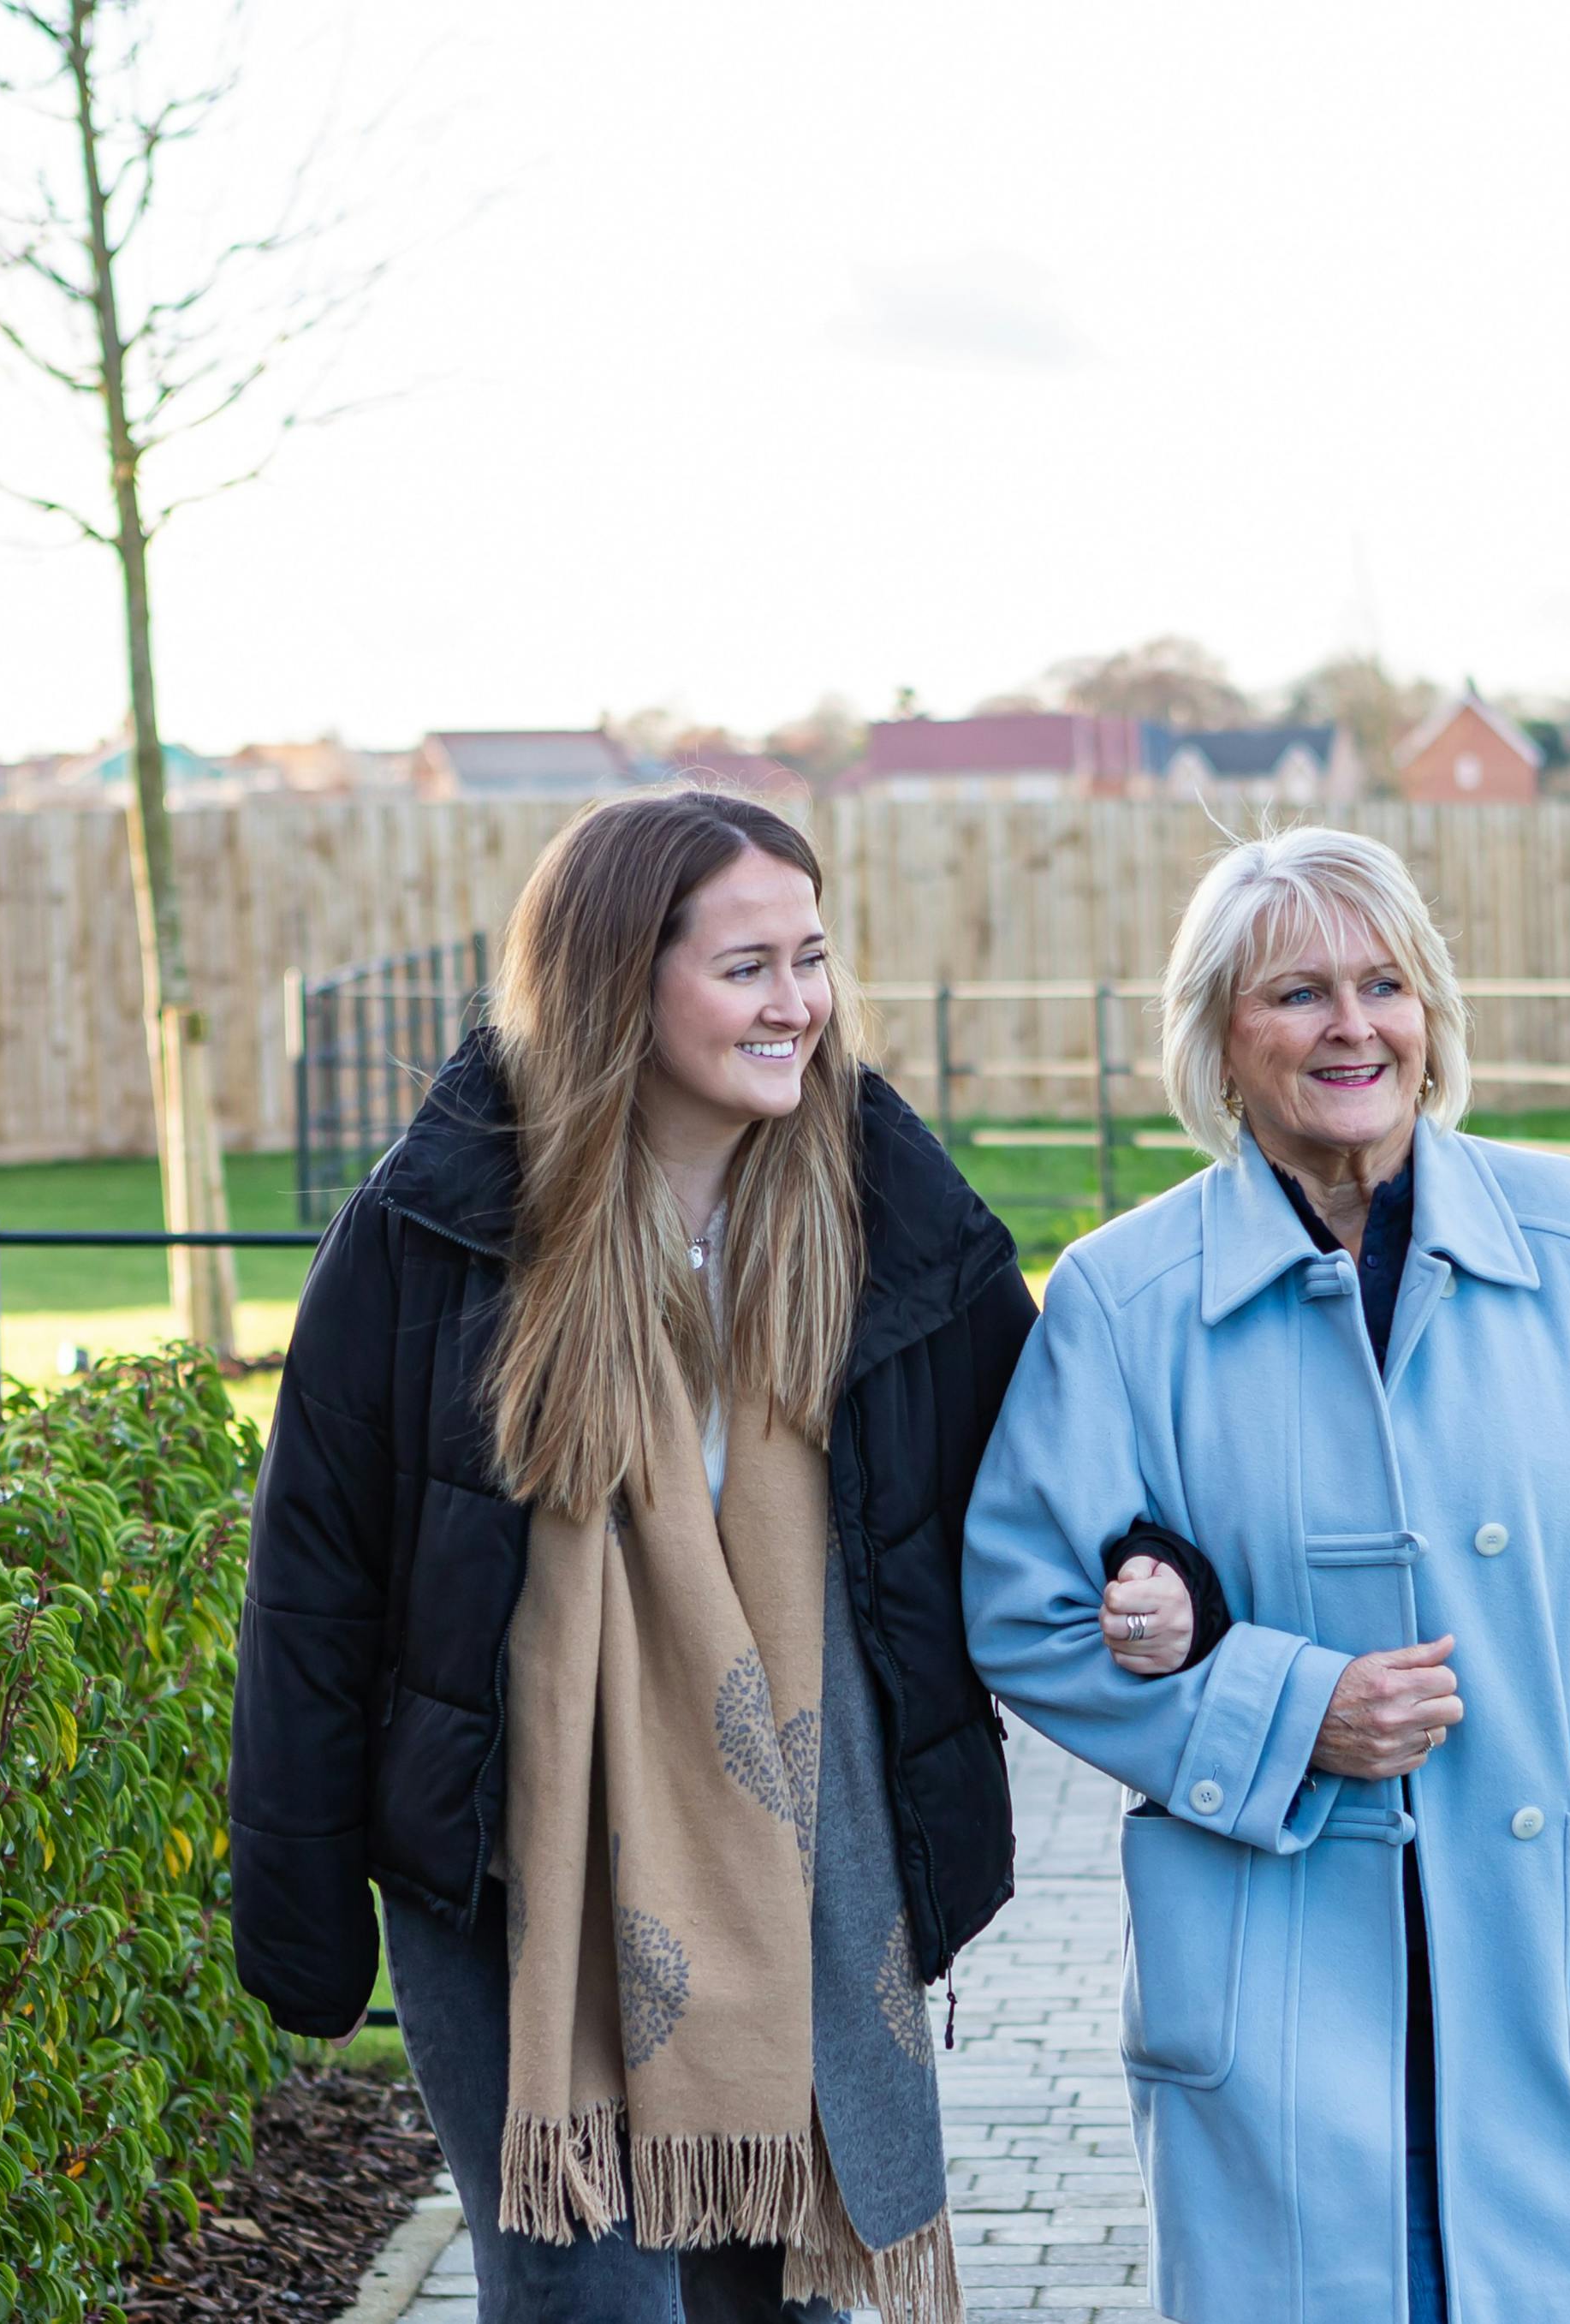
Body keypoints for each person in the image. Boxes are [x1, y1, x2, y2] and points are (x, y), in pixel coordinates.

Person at [233, 788, 1037, 2324]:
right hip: (504, 1866)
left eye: (812, 958)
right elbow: (314, 1594)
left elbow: (1051, 1473)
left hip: (809, 1846)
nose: (797, 1004)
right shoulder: (432, 1238)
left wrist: (1158, 1573)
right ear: (617, 976)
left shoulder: (887, 1217)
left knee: (779, 2296)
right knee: (579, 2295)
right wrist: (302, 1911)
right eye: (748, 966)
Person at [960, 824, 1570, 2324]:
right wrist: (1291, 1711)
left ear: (1432, 1017)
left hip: (1543, 1921)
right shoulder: (1122, 1300)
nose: (1353, 1026)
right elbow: (1022, 1602)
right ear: (1217, 1041)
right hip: (1269, 1966)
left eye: (1385, 984)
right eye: (1297, 994)